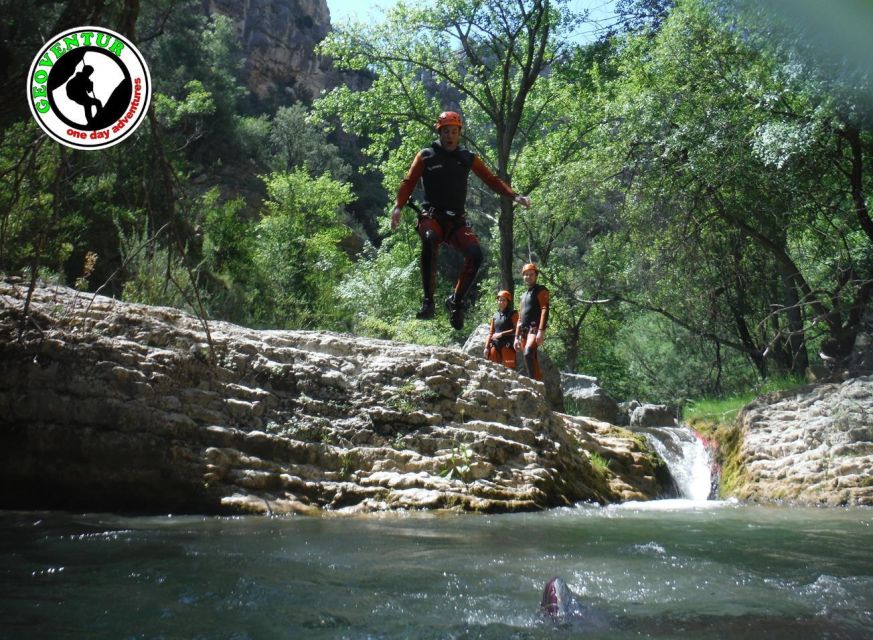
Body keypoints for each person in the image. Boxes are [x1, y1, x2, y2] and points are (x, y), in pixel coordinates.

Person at [391, 110, 531, 329]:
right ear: (439, 132)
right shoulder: (426, 155)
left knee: (476, 255)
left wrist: (514, 195)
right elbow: (409, 181)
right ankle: (428, 301)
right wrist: (398, 207)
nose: (450, 136)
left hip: (456, 221)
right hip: (432, 216)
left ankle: (455, 302)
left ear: (459, 134)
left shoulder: (467, 158)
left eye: (454, 132)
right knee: (429, 239)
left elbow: (491, 179)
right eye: (446, 131)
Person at [514, 263, 549, 380]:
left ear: (536, 276)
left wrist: (541, 331)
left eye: (531, 274)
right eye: (526, 275)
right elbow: (519, 318)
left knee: (528, 353)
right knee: (530, 358)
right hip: (523, 332)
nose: (528, 277)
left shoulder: (541, 290)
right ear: (523, 276)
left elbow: (545, 309)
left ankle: (533, 383)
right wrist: (516, 336)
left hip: (534, 329)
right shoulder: (523, 296)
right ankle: (537, 382)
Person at [484, 290, 518, 369]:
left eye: (503, 300)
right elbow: (491, 332)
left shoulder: (513, 314)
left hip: (508, 345)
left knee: (510, 370)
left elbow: (516, 329)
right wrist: (486, 347)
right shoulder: (495, 315)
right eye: (499, 300)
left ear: (508, 301)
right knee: (492, 368)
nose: (501, 302)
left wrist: (501, 334)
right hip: (495, 345)